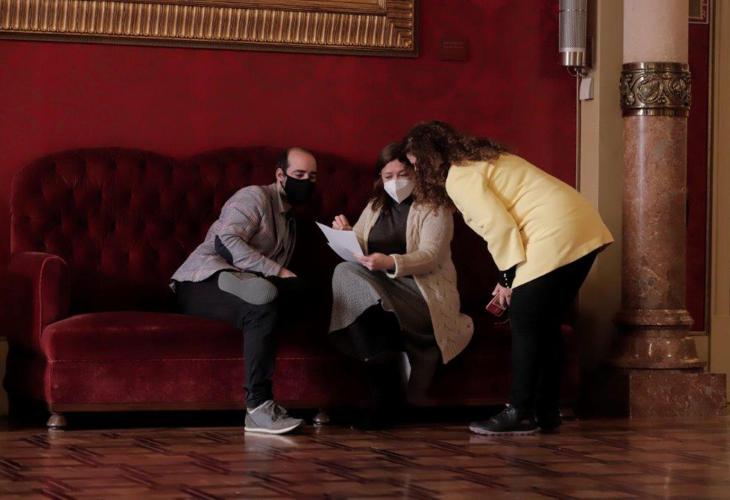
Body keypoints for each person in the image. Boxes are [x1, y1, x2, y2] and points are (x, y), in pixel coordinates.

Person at [403, 121, 613, 435]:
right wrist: (510, 275)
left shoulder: (459, 177)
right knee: (546, 325)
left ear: (429, 159)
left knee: (525, 321)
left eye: (416, 164)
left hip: (554, 232)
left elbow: (498, 226)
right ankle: (546, 411)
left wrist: (506, 277)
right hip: (582, 227)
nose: (417, 171)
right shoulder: (484, 158)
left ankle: (519, 411)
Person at [171, 147, 318, 435]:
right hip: (200, 282)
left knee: (289, 294)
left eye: (312, 177)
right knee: (261, 305)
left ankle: (249, 282)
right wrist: (279, 272)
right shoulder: (254, 196)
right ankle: (258, 407)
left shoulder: (290, 222)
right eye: (299, 175)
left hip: (246, 286)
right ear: (280, 175)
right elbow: (226, 240)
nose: (306, 182)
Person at [328, 142, 474, 429]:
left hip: (425, 295)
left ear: (416, 173)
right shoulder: (375, 206)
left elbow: (430, 255)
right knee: (344, 270)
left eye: (403, 174)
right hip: (382, 294)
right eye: (388, 176)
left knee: (367, 303)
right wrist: (346, 235)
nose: (395, 182)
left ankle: (384, 395)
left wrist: (390, 262)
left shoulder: (435, 206)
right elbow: (360, 250)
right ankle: (386, 389)